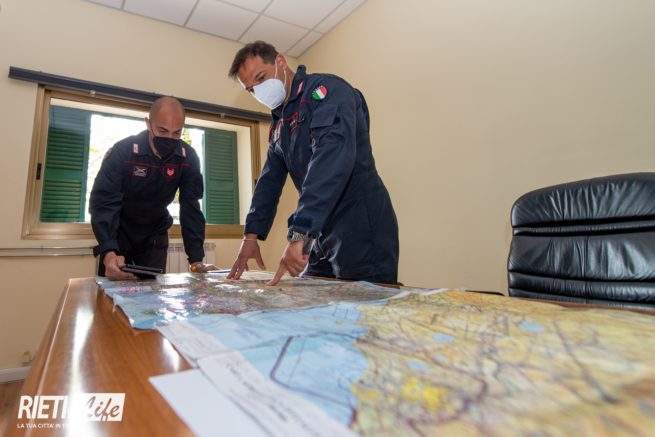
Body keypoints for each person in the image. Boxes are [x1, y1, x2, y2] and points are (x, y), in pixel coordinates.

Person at [227, 41, 399, 286]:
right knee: (310, 296)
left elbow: (329, 162)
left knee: (361, 305)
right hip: (320, 229)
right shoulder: (280, 123)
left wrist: (300, 233)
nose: (259, 91)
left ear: (280, 62)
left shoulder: (327, 92)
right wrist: (250, 236)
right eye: (251, 89)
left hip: (360, 222)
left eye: (261, 78)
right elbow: (269, 181)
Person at [89, 96, 215, 280]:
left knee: (152, 294)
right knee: (112, 293)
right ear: (148, 124)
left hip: (155, 236)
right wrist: (108, 250)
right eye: (162, 131)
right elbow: (104, 202)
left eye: (176, 133)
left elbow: (191, 208)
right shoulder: (123, 151)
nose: (169, 138)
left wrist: (196, 260)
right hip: (119, 234)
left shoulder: (187, 158)